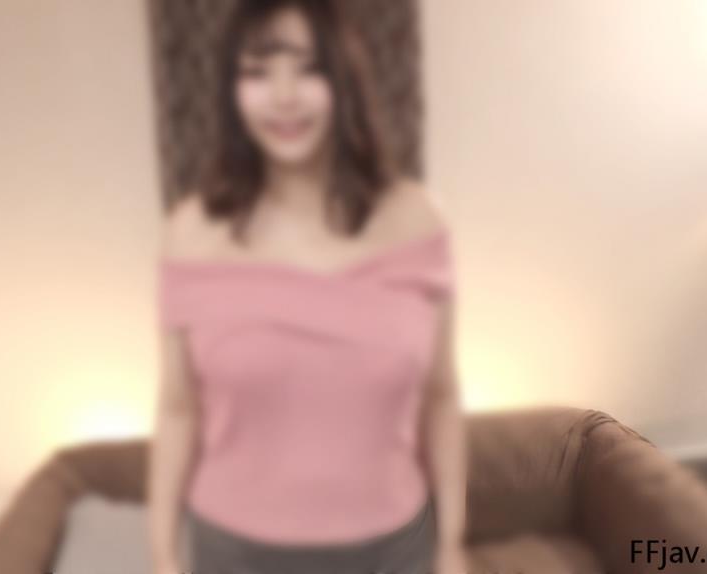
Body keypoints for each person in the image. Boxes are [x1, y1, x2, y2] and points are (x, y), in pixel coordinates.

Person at [147, 0, 467, 572]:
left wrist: (452, 545)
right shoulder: (190, 235)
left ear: (344, 80)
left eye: (309, 68)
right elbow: (177, 411)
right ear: (231, 92)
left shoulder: (419, 221)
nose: (284, 95)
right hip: (235, 552)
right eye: (258, 72)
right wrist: (162, 556)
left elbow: (441, 397)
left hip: (396, 550)